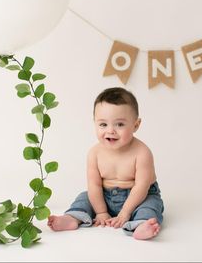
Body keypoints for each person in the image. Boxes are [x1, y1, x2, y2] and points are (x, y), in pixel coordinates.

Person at [47, 87, 164, 240]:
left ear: (136, 125)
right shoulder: (94, 153)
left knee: (150, 205)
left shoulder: (142, 153)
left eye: (119, 124)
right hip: (104, 196)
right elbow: (94, 185)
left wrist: (125, 213)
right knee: (84, 197)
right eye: (103, 125)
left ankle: (141, 225)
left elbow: (141, 187)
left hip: (139, 197)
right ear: (94, 123)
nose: (111, 131)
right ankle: (72, 218)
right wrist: (101, 212)